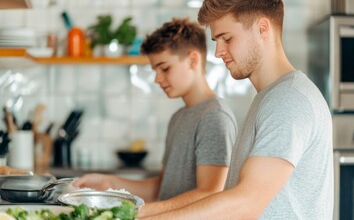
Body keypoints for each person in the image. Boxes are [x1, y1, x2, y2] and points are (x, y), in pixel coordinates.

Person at [137, 0, 334, 219]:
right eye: (216, 41)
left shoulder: (288, 99)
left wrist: (138, 216)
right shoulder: (270, 97)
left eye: (227, 39)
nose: (218, 51)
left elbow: (246, 203)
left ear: (262, 29)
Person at [72, 18, 238, 217]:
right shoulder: (179, 117)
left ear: (193, 60)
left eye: (165, 68)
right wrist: (109, 184)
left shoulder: (214, 116)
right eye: (155, 70)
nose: (157, 78)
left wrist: (134, 212)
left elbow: (210, 193)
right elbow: (161, 188)